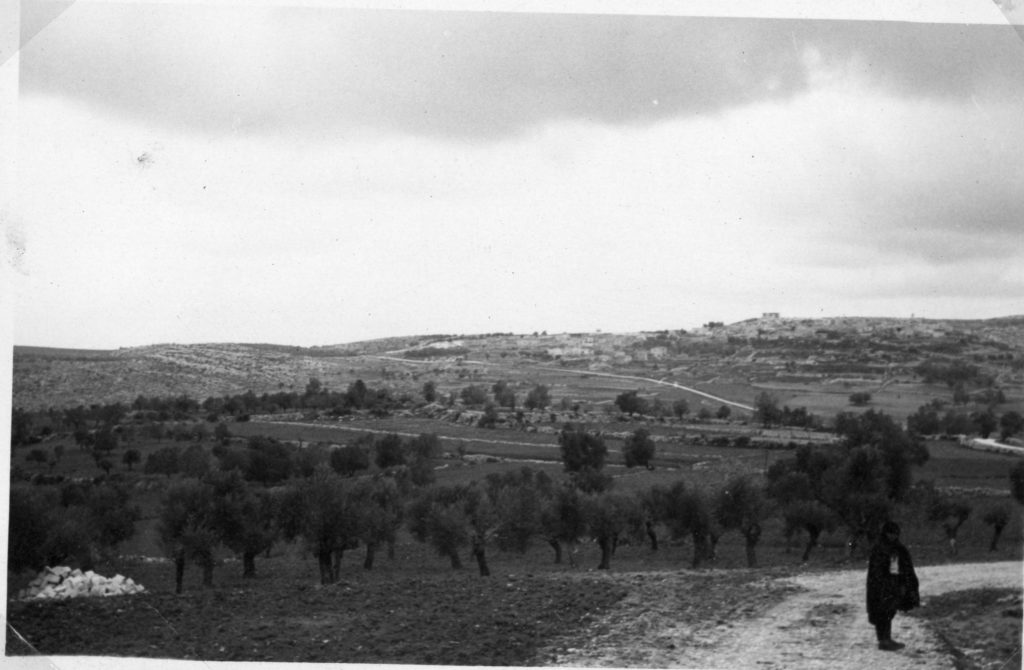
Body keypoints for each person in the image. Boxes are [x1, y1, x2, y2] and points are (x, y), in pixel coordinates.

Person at [866, 520, 920, 651]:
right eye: (891, 533)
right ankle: (883, 640)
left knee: (889, 611)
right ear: (885, 533)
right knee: (881, 612)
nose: (893, 536)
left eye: (895, 534)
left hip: (893, 585)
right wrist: (883, 583)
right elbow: (876, 570)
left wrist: (904, 583)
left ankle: (887, 639)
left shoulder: (898, 548)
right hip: (880, 587)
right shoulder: (879, 548)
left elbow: (905, 567)